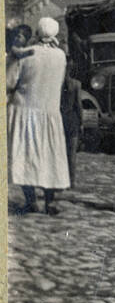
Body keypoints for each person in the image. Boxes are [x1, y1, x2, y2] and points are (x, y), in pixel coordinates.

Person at [7, 18, 70, 215]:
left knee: (26, 155)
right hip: (49, 111)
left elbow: (9, 82)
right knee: (49, 155)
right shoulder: (60, 56)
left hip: (25, 109)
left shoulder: (27, 55)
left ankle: (31, 201)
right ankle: (50, 202)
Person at [60, 60, 84, 189]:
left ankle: (61, 180)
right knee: (72, 153)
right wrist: (81, 122)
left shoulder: (56, 84)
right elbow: (78, 105)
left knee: (60, 153)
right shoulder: (76, 84)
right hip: (72, 120)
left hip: (59, 119)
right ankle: (72, 181)